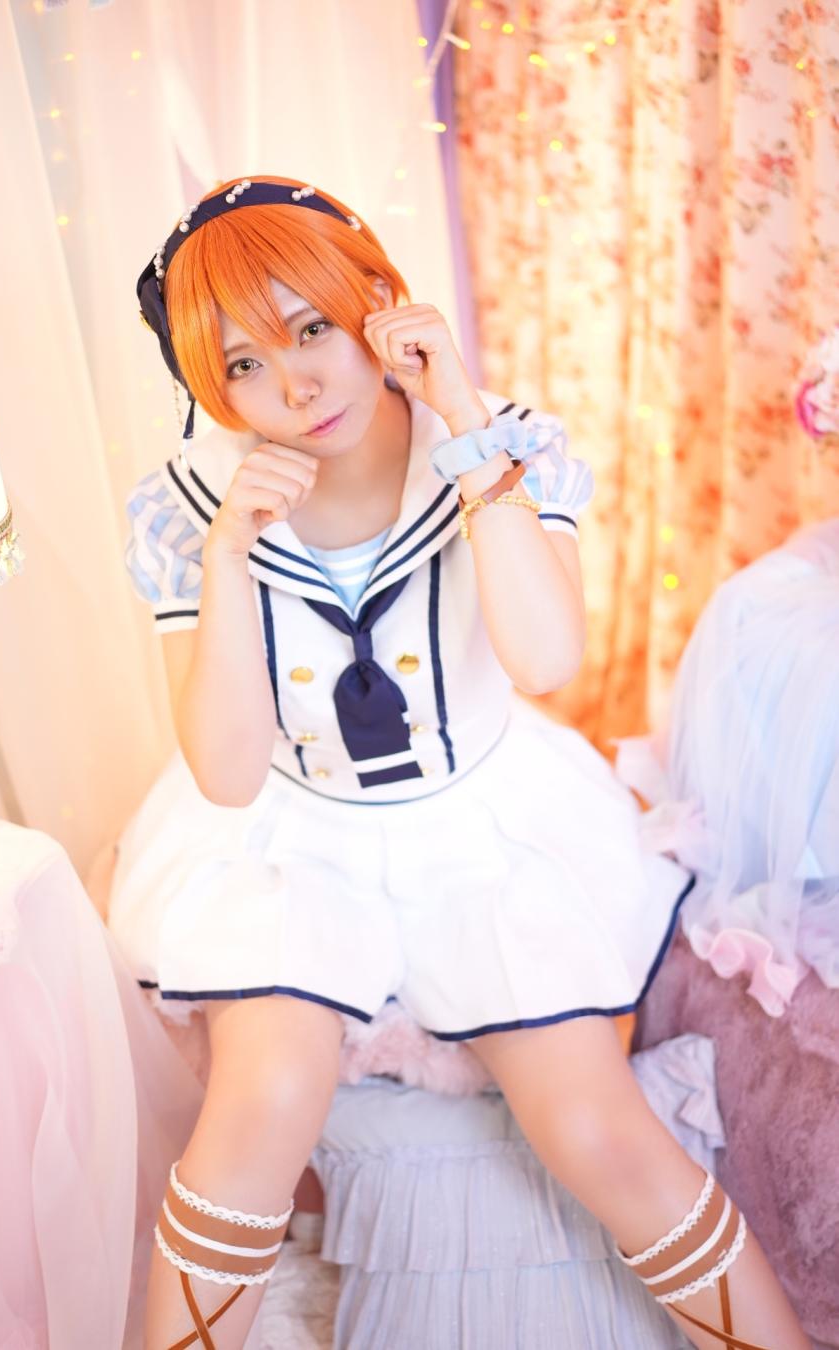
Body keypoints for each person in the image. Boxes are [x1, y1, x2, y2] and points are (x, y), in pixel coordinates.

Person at [109, 175, 810, 1350]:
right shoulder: (191, 508)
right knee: (254, 1117)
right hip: (292, 836)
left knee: (594, 1130)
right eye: (242, 366)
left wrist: (470, 433)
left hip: (483, 824)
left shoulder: (496, 442)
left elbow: (546, 659)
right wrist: (229, 558)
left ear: (379, 301)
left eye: (313, 328)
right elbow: (227, 775)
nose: (293, 386)